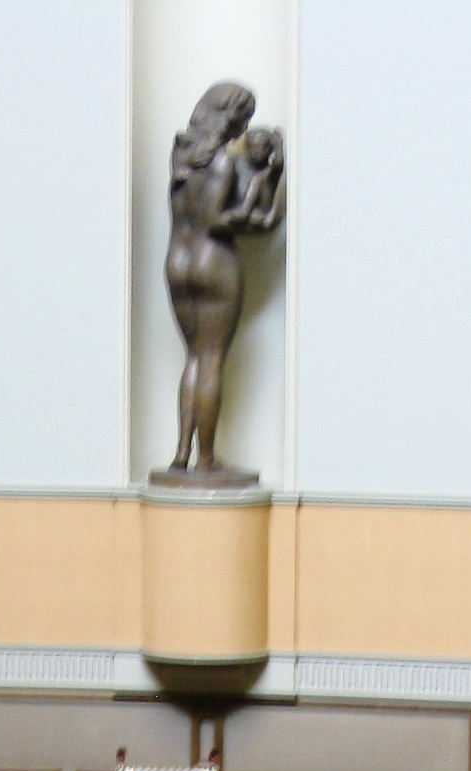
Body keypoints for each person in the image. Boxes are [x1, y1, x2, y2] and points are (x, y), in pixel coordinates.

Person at [161, 84, 286, 484]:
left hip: (178, 260)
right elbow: (217, 219)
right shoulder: (223, 163)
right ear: (233, 119)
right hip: (214, 262)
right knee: (211, 359)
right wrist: (261, 212)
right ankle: (207, 460)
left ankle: (182, 455)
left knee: (194, 358)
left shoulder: (182, 155)